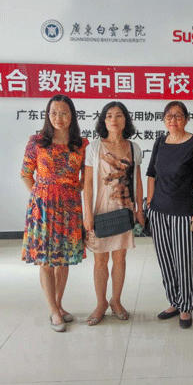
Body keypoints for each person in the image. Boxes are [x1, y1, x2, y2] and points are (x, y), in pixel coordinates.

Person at [21, 94, 89, 332]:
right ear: (47, 115)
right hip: (43, 208)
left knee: (64, 259)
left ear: (72, 116)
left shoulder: (81, 144)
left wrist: (72, 190)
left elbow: (86, 178)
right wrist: (40, 195)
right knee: (46, 260)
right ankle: (53, 310)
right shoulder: (37, 142)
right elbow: (25, 173)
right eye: (53, 113)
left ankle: (59, 304)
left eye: (63, 113)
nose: (58, 118)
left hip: (69, 208)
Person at [146, 101, 193, 329]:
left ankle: (185, 306)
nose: (173, 120)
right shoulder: (160, 142)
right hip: (159, 212)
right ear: (164, 119)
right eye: (169, 116)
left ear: (186, 119)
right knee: (166, 261)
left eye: (178, 116)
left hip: (185, 213)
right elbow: (151, 174)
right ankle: (174, 301)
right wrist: (149, 204)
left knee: (185, 262)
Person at [83, 102, 144, 325]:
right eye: (109, 116)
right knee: (100, 260)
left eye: (119, 115)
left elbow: (138, 181)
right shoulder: (94, 148)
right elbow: (88, 184)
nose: (114, 120)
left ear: (125, 120)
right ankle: (100, 303)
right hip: (101, 209)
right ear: (103, 121)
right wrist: (87, 214)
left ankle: (116, 301)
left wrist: (139, 210)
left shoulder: (134, 148)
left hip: (124, 209)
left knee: (120, 259)